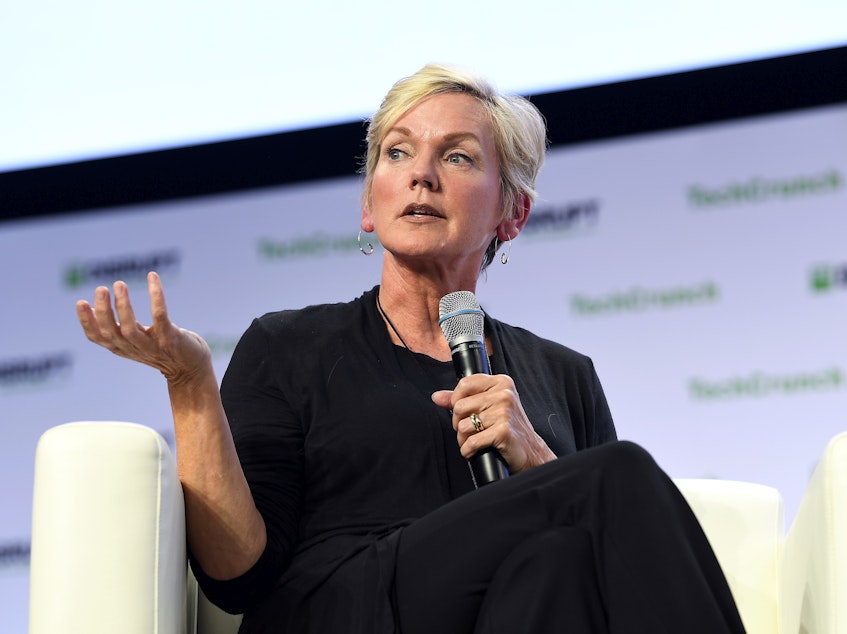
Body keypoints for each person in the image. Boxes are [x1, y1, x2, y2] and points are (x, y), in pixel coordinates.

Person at [76, 64, 745, 633]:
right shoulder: (289, 343)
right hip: (343, 607)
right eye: (397, 153)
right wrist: (190, 384)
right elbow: (237, 577)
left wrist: (533, 456)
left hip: (502, 611)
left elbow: (597, 561)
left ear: (511, 213)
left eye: (456, 156)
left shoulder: (563, 375)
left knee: (558, 564)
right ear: (371, 204)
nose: (420, 174)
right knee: (618, 472)